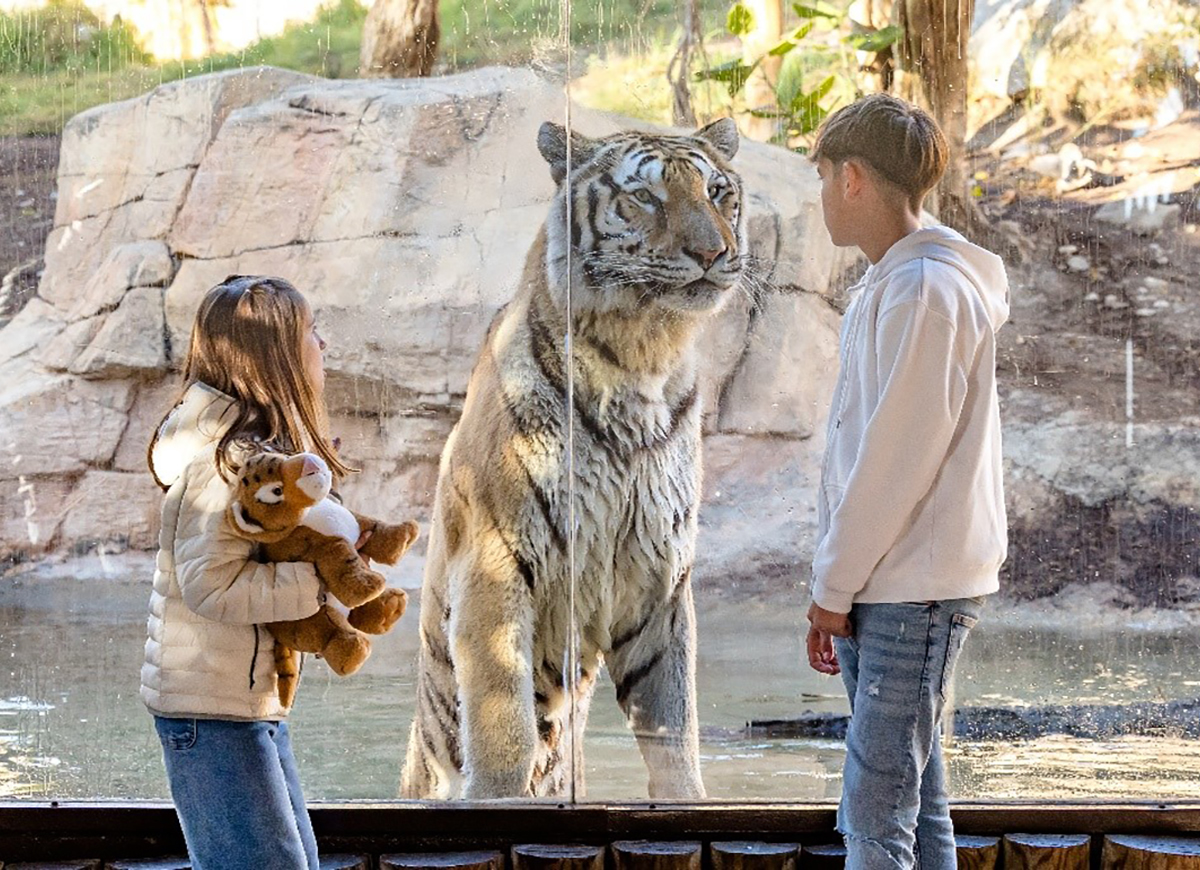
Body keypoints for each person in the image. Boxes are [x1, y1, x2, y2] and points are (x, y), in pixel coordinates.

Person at [803, 94, 1010, 870]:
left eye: (824, 176)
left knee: (875, 815)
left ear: (852, 178)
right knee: (916, 807)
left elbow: (896, 459)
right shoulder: (901, 282)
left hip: (908, 583)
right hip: (888, 582)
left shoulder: (927, 290)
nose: (822, 194)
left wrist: (833, 586)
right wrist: (838, 583)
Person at [141, 275, 357, 870]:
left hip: (240, 702)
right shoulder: (223, 464)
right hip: (212, 712)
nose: (324, 345)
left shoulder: (248, 454)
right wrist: (317, 582)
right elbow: (211, 588)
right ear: (279, 358)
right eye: (312, 333)